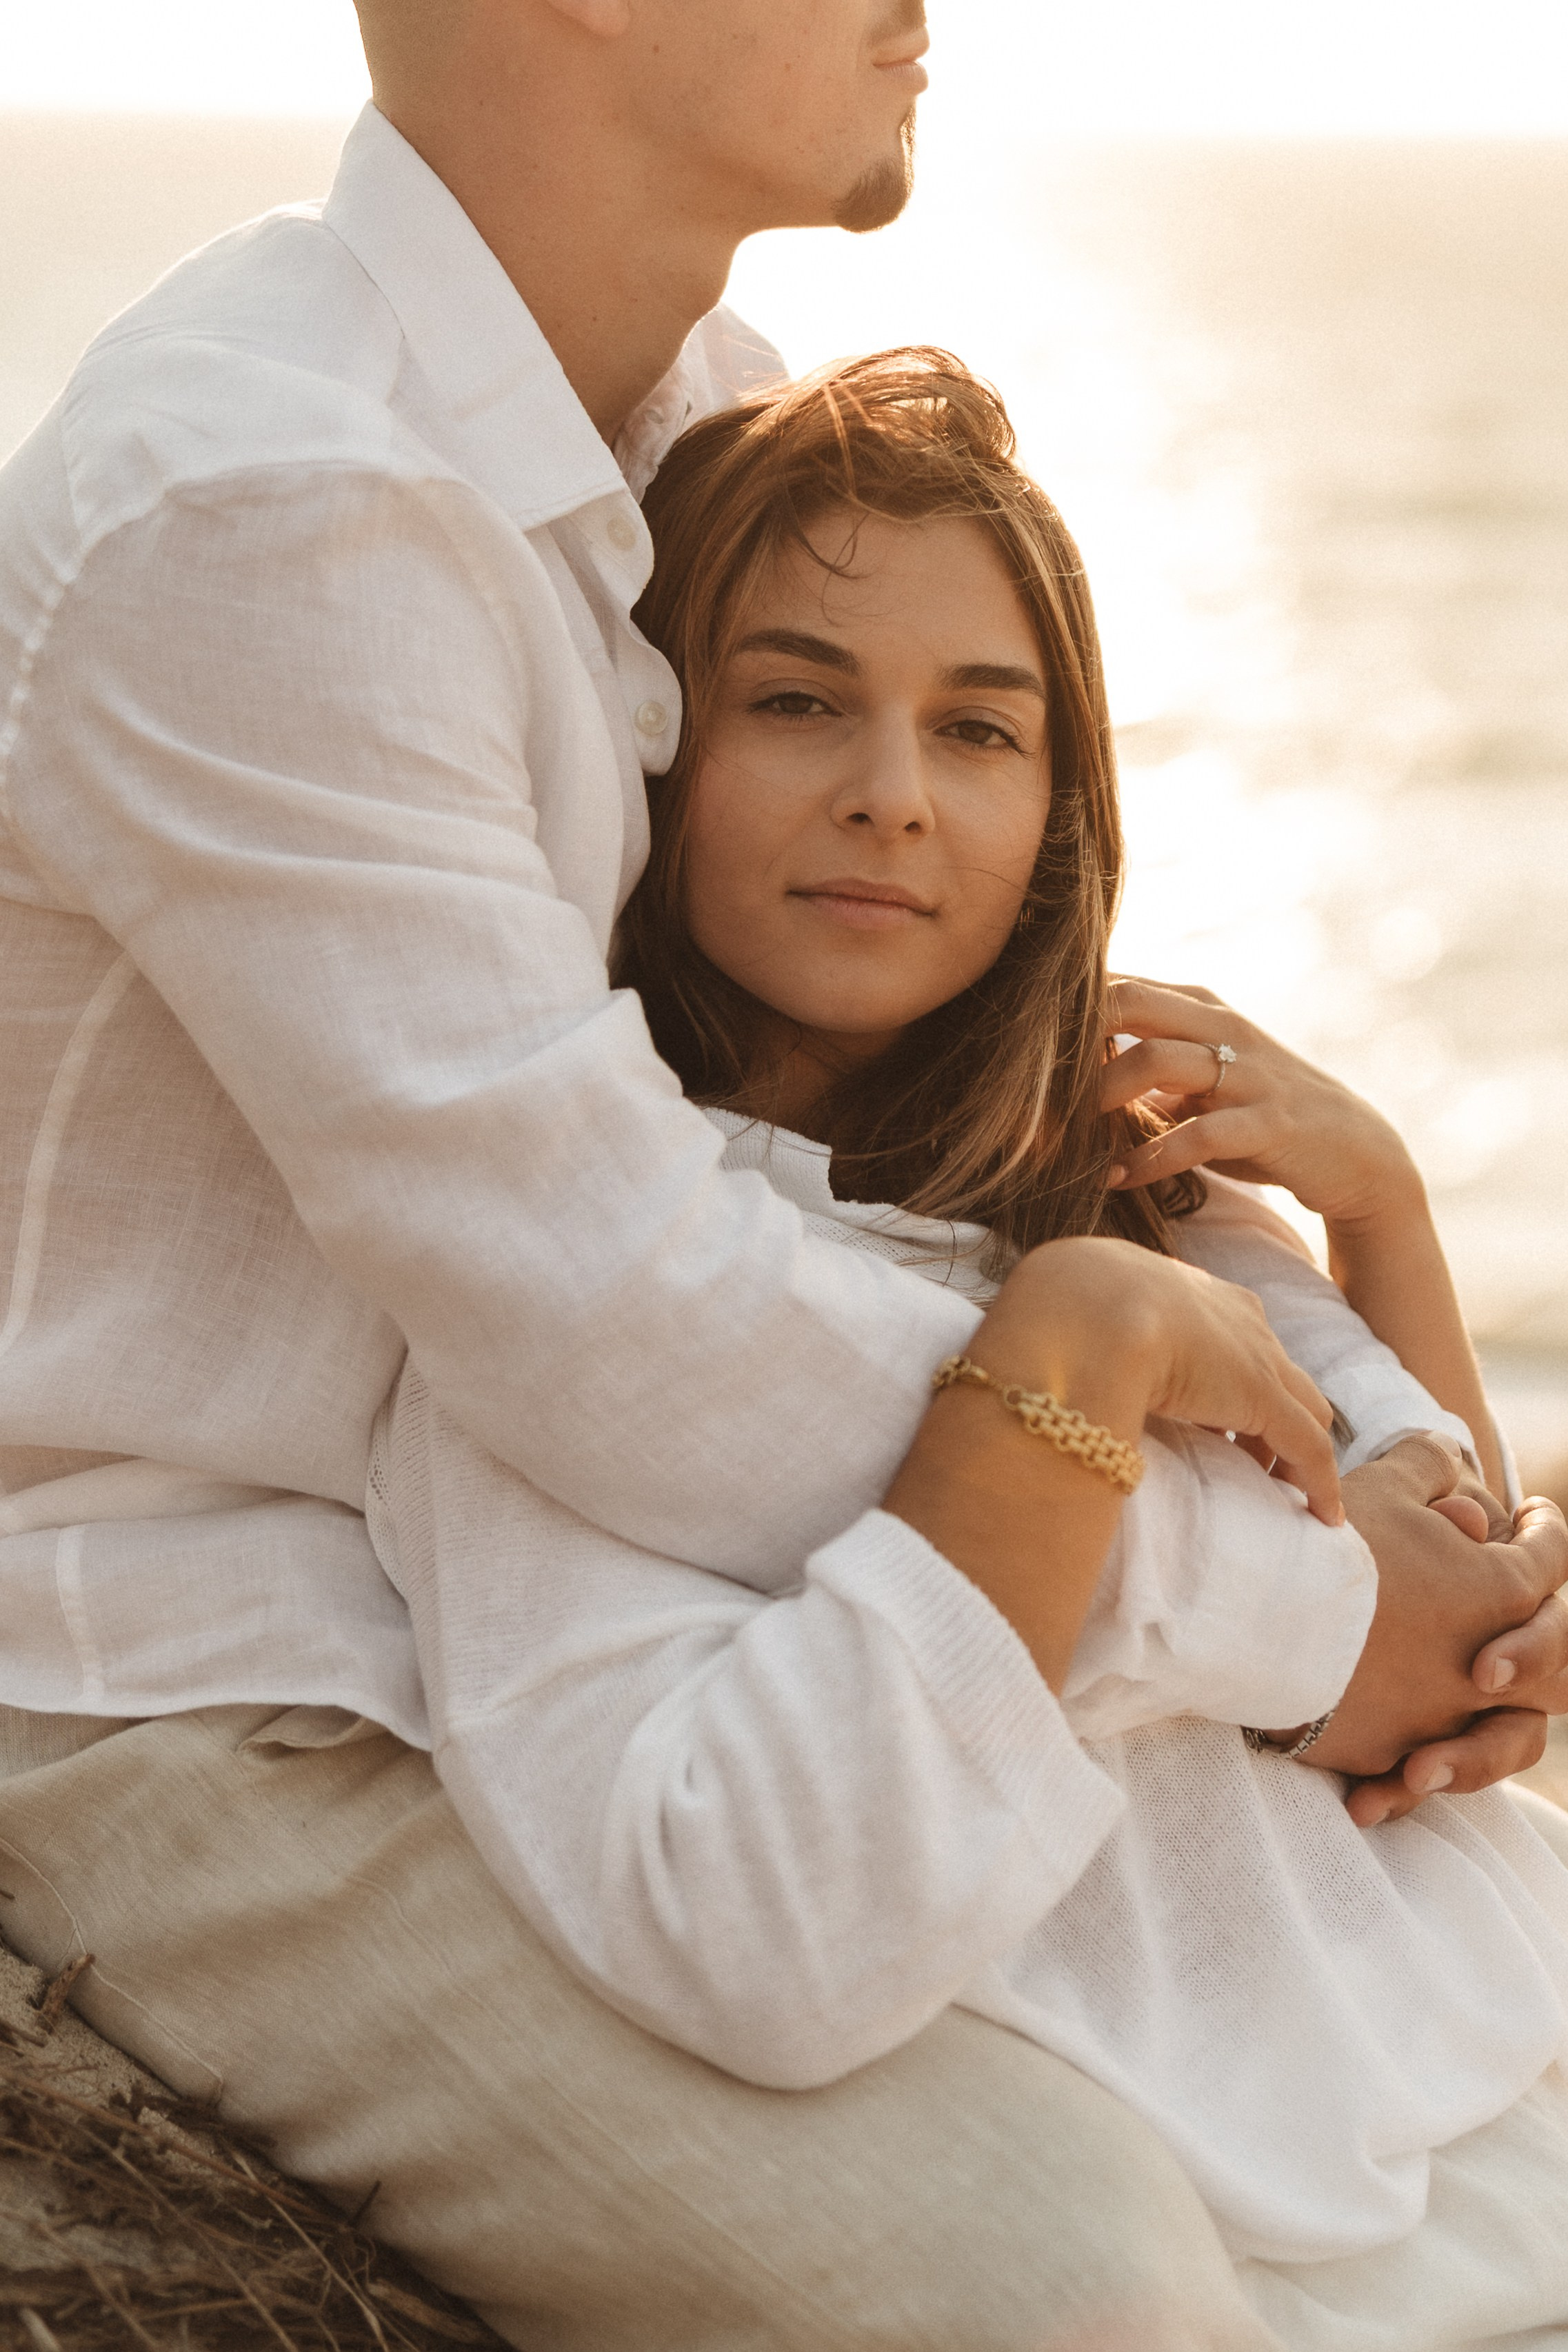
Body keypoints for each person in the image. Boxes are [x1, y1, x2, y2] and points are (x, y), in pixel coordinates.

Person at [0, 3, 1562, 2344]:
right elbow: (625, 1313)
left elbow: (835, 1141)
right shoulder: (272, 500)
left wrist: (1356, 1356)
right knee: (1055, 2283)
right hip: (228, 1679)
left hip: (646, 1588)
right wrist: (1307, 1613)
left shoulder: (686, 425)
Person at [366, 348, 1568, 2349]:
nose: (891, 793)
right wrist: (1113, 1433)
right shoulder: (587, 1275)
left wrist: (1382, 1208)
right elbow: (740, 1880)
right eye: (795, 699)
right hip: (1211, 2211)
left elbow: (1464, 1616)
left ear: (1058, 805)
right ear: (645, 739)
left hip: (1495, 2067)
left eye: (979, 730)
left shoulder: (1132, 1191)